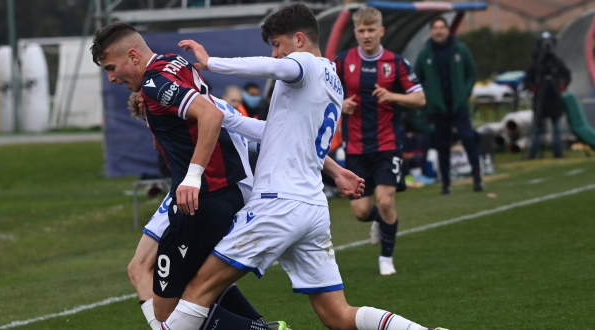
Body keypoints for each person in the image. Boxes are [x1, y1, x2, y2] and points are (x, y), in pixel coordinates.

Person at [165, 4, 446, 330]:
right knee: (338, 315)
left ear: (299, 39)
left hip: (279, 205)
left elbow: (270, 68)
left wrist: (212, 62)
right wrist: (336, 171)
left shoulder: (306, 63)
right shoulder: (334, 80)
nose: (274, 53)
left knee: (199, 288)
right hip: (311, 207)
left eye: (277, 45)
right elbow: (271, 132)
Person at [91, 22, 289, 330]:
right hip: (214, 195)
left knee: (169, 313)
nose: (112, 78)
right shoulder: (174, 62)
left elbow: (211, 115)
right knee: (193, 287)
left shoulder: (155, 83)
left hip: (201, 200)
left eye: (112, 67)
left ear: (132, 55)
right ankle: (260, 326)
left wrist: (192, 177)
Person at [334, 7, 426, 276]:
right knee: (361, 211)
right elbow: (321, 93)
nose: (366, 35)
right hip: (355, 147)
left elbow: (420, 98)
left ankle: (386, 258)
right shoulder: (343, 61)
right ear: (355, 33)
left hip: (388, 144)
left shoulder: (396, 63)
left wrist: (392, 96)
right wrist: (341, 103)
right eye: (361, 31)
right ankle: (381, 223)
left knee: (386, 202)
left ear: (381, 31)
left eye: (371, 30)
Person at [414, 17, 483, 194]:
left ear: (447, 30)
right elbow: (417, 80)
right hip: (438, 108)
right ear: (431, 31)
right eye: (435, 28)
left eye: (442, 28)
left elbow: (471, 72)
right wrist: (429, 97)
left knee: (468, 139)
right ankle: (446, 182)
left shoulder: (460, 49)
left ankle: (477, 177)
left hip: (459, 106)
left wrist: (464, 93)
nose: (439, 31)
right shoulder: (425, 54)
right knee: (442, 145)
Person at [523, 31, 571, 160]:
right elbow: (527, 80)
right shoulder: (536, 64)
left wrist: (560, 86)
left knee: (557, 128)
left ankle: (558, 151)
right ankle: (532, 152)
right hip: (540, 101)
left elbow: (566, 76)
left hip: (554, 99)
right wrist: (535, 88)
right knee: (537, 128)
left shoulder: (557, 62)